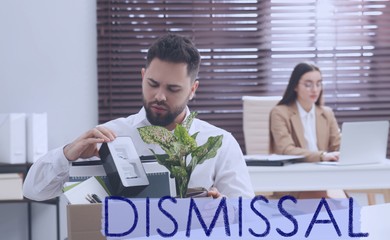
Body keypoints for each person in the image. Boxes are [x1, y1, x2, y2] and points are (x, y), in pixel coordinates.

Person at [23, 34, 254, 201]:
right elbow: (33, 190)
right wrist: (67, 154)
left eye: (173, 89)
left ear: (193, 89)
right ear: (143, 76)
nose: (159, 96)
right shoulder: (110, 136)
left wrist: (225, 208)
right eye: (152, 84)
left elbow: (248, 216)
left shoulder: (218, 143)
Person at [269, 62, 342, 199]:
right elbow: (286, 149)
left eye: (318, 84)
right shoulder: (279, 113)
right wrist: (322, 156)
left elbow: (337, 145)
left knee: (343, 205)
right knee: (340, 208)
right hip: (294, 181)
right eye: (308, 84)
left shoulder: (326, 113)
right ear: (295, 86)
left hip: (323, 180)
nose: (315, 89)